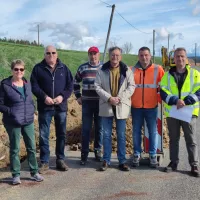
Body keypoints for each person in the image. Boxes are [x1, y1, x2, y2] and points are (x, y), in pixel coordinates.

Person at [0, 59, 44, 185]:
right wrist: (11, 111)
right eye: (16, 69)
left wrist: (34, 111)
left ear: (24, 71)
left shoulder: (27, 84)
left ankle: (34, 172)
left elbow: (30, 100)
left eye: (21, 69)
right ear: (12, 70)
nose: (19, 71)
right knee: (15, 148)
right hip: (12, 121)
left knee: (31, 147)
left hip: (28, 120)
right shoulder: (5, 85)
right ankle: (16, 175)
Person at [30, 45, 73, 174]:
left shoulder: (64, 69)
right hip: (45, 107)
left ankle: (60, 159)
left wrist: (62, 96)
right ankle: (44, 161)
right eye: (48, 53)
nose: (51, 55)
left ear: (57, 54)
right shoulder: (38, 69)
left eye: (53, 52)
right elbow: (34, 86)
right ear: (44, 55)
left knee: (61, 134)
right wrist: (44, 97)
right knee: (44, 135)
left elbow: (70, 85)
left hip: (60, 107)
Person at [160, 47, 200, 177]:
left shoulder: (195, 74)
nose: (180, 59)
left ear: (186, 58)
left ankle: (194, 164)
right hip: (173, 112)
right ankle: (173, 162)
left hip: (189, 112)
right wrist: (175, 100)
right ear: (174, 59)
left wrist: (186, 101)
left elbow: (199, 91)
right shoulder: (167, 75)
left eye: (182, 56)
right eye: (177, 56)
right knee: (174, 139)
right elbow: (163, 91)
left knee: (191, 139)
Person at [95, 46, 135, 171]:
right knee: (106, 135)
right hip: (107, 106)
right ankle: (106, 160)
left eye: (117, 55)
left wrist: (119, 97)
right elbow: (97, 86)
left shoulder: (126, 70)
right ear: (109, 56)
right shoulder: (102, 70)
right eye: (113, 55)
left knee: (121, 135)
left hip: (121, 106)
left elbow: (132, 86)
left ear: (120, 57)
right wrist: (109, 98)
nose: (115, 57)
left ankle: (122, 161)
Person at [131, 46, 164, 168]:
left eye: (146, 55)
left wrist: (160, 101)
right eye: (141, 55)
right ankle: (136, 154)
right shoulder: (132, 70)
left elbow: (163, 87)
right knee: (136, 132)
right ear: (138, 57)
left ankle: (152, 155)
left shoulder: (158, 69)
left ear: (150, 56)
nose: (144, 57)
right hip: (136, 107)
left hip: (152, 106)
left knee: (153, 131)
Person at [74, 46, 103, 165]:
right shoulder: (83, 68)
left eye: (95, 54)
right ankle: (84, 154)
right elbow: (75, 81)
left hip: (100, 103)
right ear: (88, 55)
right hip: (87, 103)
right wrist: (78, 96)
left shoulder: (104, 68)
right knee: (86, 129)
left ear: (98, 54)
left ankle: (98, 152)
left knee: (99, 129)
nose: (93, 56)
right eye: (91, 54)